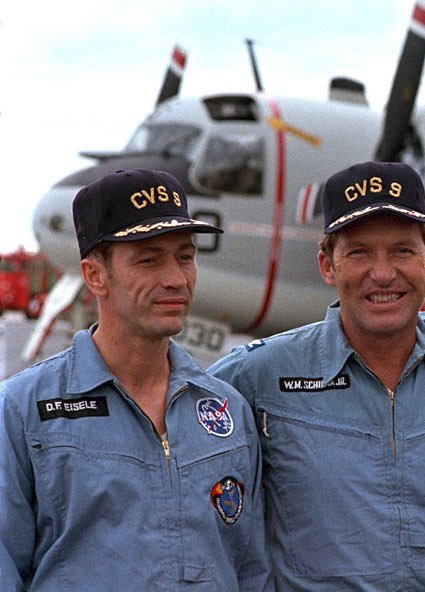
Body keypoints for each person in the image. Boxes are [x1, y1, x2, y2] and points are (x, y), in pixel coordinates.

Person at [209, 161, 425, 591]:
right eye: (359, 252)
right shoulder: (260, 376)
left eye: (403, 251)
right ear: (327, 265)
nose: (382, 273)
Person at [0, 169, 272, 591]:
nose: (176, 279)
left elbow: (252, 570)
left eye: (185, 256)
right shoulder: (22, 410)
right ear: (95, 276)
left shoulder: (227, 411)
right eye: (148, 259)